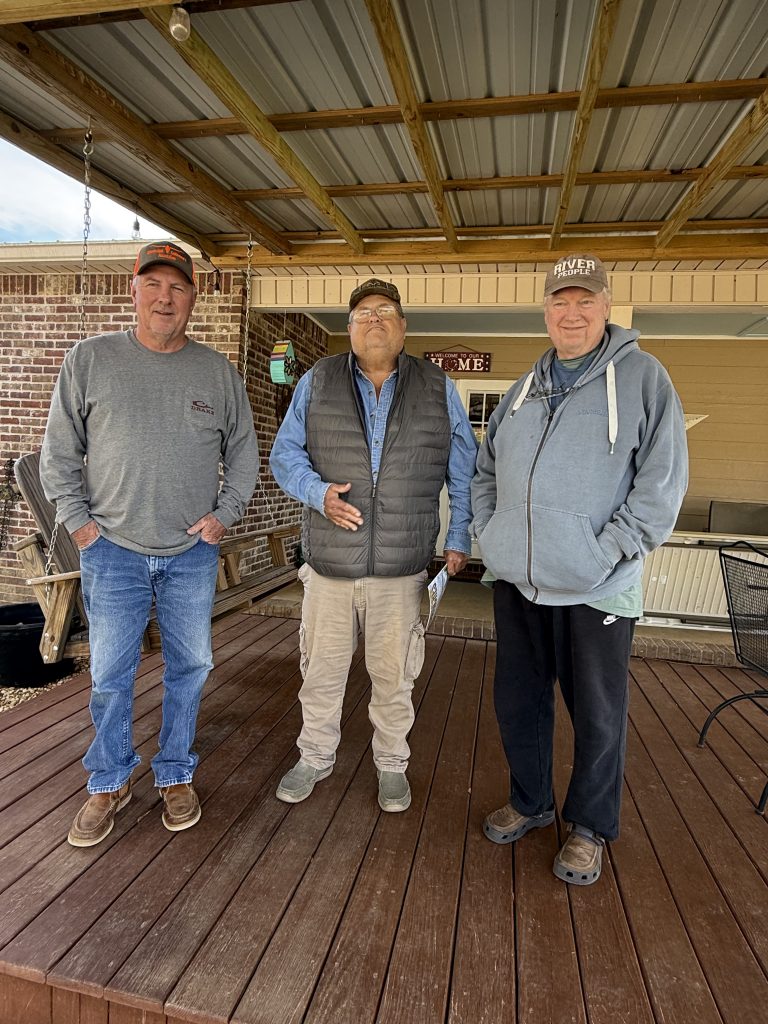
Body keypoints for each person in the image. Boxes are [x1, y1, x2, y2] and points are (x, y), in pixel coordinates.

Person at [471, 253, 688, 885]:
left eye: (585, 301)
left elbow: (662, 482)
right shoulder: (523, 389)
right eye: (560, 301)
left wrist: (608, 549)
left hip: (597, 586)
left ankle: (589, 826)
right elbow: (486, 470)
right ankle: (532, 802)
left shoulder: (644, 378)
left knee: (596, 714)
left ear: (606, 307)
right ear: (546, 311)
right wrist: (491, 533)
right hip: (519, 581)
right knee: (519, 704)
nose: (572, 313)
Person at [40, 240, 259, 847]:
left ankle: (175, 771)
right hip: (111, 550)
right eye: (154, 285)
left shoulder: (218, 373)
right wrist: (80, 524)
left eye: (178, 287)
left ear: (193, 298)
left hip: (191, 553)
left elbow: (244, 455)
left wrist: (224, 516)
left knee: (191, 666)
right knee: (111, 672)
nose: (166, 298)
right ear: (132, 291)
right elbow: (58, 455)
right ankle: (109, 780)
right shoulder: (90, 360)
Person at [270, 278, 477, 812]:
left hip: (401, 570)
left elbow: (464, 469)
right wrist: (317, 493)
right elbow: (284, 455)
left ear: (403, 327)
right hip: (330, 567)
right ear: (350, 328)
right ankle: (315, 756)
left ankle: (391, 763)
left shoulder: (438, 387)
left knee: (394, 677)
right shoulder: (318, 379)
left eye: (385, 310)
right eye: (363, 313)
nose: (374, 319)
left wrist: (458, 537)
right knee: (321, 673)